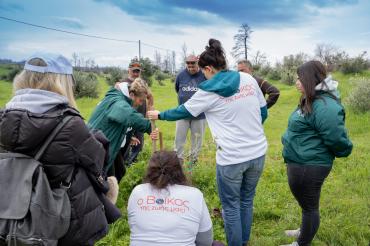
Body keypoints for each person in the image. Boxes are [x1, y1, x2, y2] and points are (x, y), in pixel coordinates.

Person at [148, 39, 268, 246]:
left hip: (231, 158)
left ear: (209, 68)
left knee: (230, 207)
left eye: (203, 71)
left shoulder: (207, 91)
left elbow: (182, 111)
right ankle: (244, 241)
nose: (202, 75)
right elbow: (263, 113)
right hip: (258, 153)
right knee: (246, 201)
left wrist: (159, 115)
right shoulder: (248, 80)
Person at [0, 53, 118, 245]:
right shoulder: (70, 124)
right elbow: (97, 164)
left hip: (12, 212)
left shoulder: (4, 118)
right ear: (61, 82)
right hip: (60, 216)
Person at [281, 60, 353, 246]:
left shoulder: (325, 105)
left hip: (310, 165)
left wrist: (345, 149)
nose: (297, 81)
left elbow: (336, 137)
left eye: (299, 78)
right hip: (302, 162)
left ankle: (302, 242)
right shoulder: (311, 98)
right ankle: (305, 228)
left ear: (310, 79)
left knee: (309, 206)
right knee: (307, 204)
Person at [127, 151, 214, 246]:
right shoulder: (195, 194)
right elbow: (205, 241)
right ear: (179, 170)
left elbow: (134, 227)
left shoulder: (137, 191)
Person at [88, 79, 158, 183]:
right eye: (141, 100)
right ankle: (104, 196)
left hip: (105, 142)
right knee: (101, 178)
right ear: (132, 94)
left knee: (119, 171)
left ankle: (109, 195)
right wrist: (149, 127)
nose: (140, 103)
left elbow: (117, 120)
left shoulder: (119, 98)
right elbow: (128, 115)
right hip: (98, 147)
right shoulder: (118, 102)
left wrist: (127, 136)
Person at [120, 61, 154, 165]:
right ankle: (124, 163)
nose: (136, 73)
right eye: (134, 71)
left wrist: (149, 110)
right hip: (127, 119)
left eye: (138, 71)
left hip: (140, 118)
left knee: (139, 144)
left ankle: (131, 162)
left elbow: (150, 96)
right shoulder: (123, 84)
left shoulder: (142, 83)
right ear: (128, 70)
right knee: (125, 142)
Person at [174, 54, 207, 164]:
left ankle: (193, 161)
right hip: (182, 113)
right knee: (179, 138)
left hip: (199, 115)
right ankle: (178, 161)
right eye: (188, 63)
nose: (190, 65)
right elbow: (177, 89)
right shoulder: (181, 75)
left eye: (193, 63)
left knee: (197, 139)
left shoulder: (204, 75)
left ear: (197, 62)